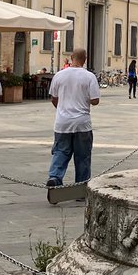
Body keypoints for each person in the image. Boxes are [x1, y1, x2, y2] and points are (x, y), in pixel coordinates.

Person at [47, 48, 101, 188]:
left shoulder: (59, 75)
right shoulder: (89, 77)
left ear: (71, 57)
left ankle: (55, 177)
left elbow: (53, 98)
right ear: (85, 59)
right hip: (82, 122)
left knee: (60, 152)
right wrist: (83, 99)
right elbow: (95, 100)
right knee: (82, 156)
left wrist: (62, 107)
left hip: (62, 122)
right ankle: (81, 186)